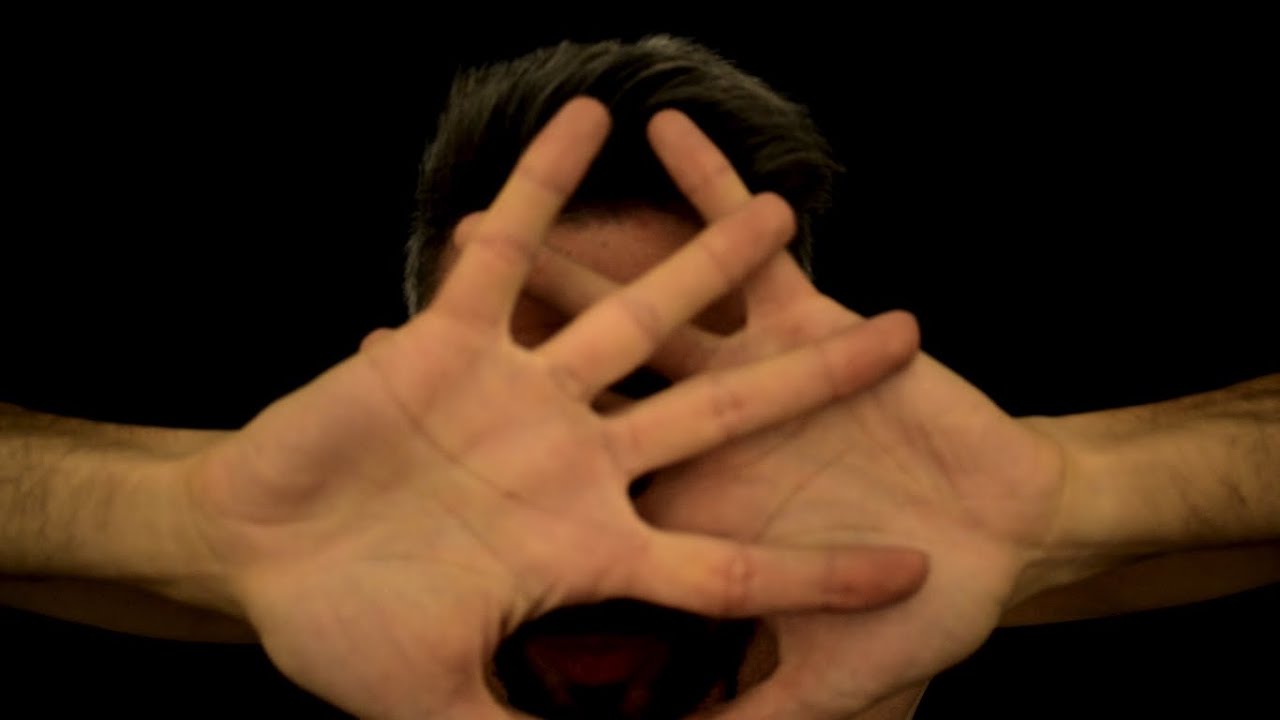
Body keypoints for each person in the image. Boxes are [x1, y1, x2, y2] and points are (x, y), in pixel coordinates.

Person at [4, 32, 1277, 719]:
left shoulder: (906, 582)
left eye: (682, 401)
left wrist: (1073, 501)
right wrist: (172, 522)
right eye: (530, 400)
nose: (593, 493)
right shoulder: (265, 574)